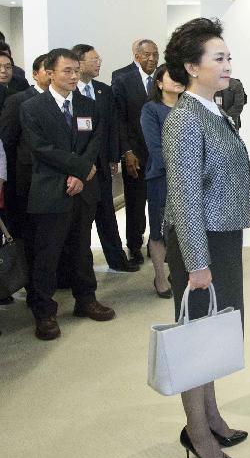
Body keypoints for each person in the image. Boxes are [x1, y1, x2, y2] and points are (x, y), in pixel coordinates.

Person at [162, 17, 250, 458]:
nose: (227, 65)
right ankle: (196, 432)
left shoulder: (211, 110)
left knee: (215, 330)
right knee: (195, 337)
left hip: (222, 235)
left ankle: (212, 416)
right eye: (218, 59)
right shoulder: (183, 119)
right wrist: (197, 262)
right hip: (198, 242)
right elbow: (183, 198)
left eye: (228, 57)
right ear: (191, 67)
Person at [20, 48, 116, 341]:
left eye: (76, 70)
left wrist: (81, 173)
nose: (74, 76)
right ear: (50, 73)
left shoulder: (89, 105)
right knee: (47, 254)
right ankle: (44, 312)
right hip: (51, 190)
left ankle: (85, 300)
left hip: (83, 189)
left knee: (81, 248)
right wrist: (76, 171)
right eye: (67, 71)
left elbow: (94, 140)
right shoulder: (33, 107)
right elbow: (41, 148)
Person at [72, 44, 138, 273]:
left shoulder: (103, 90)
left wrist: (113, 157)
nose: (99, 63)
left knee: (107, 213)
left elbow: (113, 126)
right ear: (79, 64)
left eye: (99, 59)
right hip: (80, 167)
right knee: (81, 221)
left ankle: (117, 259)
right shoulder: (70, 92)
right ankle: (81, 267)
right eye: (94, 59)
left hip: (102, 164)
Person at [0, 55, 50, 285]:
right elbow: (7, 144)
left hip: (54, 183)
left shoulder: (66, 101)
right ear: (35, 73)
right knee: (27, 235)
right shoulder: (17, 101)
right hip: (25, 182)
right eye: (47, 70)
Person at [112, 39, 159, 266]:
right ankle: (134, 245)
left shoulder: (163, 78)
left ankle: (156, 243)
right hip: (136, 153)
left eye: (155, 54)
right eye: (147, 55)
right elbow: (119, 119)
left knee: (159, 202)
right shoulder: (122, 79)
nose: (152, 59)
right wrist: (127, 151)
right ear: (137, 56)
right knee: (136, 204)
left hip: (159, 154)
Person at [140, 64, 184, 298]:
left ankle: (178, 273)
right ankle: (159, 277)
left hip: (190, 179)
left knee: (183, 228)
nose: (178, 80)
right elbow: (155, 148)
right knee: (158, 230)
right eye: (172, 77)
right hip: (162, 177)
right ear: (159, 83)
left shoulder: (190, 106)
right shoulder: (151, 110)